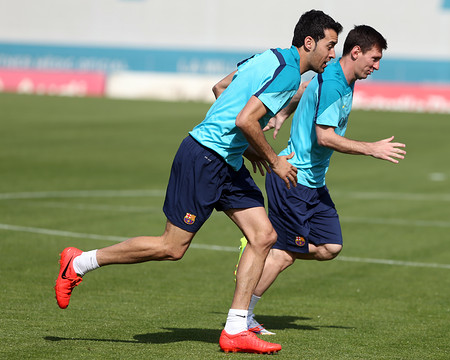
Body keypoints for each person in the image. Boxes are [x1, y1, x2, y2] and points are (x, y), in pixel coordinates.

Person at [54, 10, 343, 354]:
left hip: (227, 159)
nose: (332, 54)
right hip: (204, 157)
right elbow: (245, 119)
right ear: (309, 42)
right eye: (329, 45)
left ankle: (236, 328)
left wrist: (241, 146)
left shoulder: (268, 57)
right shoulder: (289, 75)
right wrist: (272, 159)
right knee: (171, 247)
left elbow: (220, 87)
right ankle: (79, 262)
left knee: (264, 235)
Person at [238, 25, 406, 335]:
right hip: (293, 180)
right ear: (355, 52)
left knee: (330, 246)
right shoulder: (333, 81)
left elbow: (304, 89)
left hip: (314, 183)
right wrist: (371, 148)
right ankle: (242, 316)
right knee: (286, 254)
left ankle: (265, 247)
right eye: (375, 58)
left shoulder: (337, 75)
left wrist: (282, 113)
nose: (377, 65)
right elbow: (325, 137)